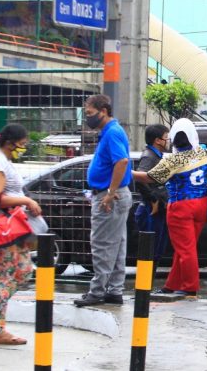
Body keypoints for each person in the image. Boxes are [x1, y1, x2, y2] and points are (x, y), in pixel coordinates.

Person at [133, 118, 207, 297]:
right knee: (185, 247)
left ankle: (190, 286)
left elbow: (150, 178)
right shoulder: (202, 153)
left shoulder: (174, 160)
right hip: (202, 204)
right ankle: (173, 283)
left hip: (181, 206)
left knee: (185, 249)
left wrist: (127, 173)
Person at [75, 94, 133, 307]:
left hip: (110, 197)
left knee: (101, 245)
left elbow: (122, 161)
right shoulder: (109, 132)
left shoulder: (112, 133)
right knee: (117, 246)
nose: (88, 118)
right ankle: (114, 290)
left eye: (90, 113)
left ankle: (97, 291)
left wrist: (110, 192)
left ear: (104, 110)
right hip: (116, 195)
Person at [0, 125, 41, 344]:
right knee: (6, 277)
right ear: (12, 143)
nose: (24, 148)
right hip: (2, 229)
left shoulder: (4, 161)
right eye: (24, 144)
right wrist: (27, 200)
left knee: (24, 271)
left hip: (12, 227)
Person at [133, 124, 170, 280]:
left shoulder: (157, 156)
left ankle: (146, 287)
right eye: (166, 138)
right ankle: (143, 287)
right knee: (150, 250)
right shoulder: (149, 156)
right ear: (158, 140)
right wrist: (153, 199)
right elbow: (141, 180)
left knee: (156, 250)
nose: (168, 141)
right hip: (151, 210)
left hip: (157, 210)